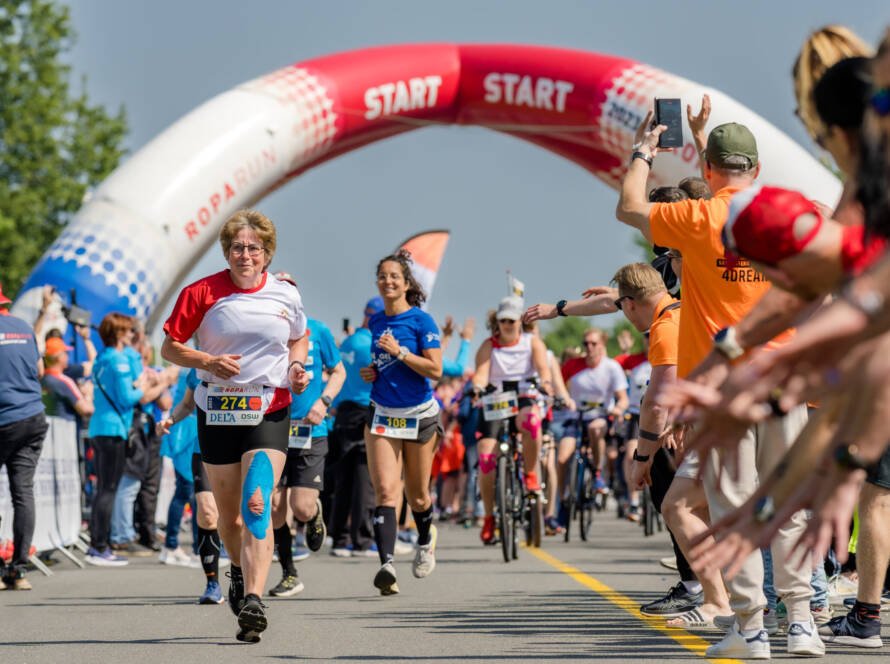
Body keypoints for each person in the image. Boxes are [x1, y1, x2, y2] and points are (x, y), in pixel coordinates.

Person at [615, 99, 823, 658]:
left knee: (732, 508)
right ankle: (802, 621)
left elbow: (630, 206)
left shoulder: (699, 217)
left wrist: (643, 151)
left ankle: (752, 629)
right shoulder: (783, 212)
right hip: (783, 379)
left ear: (707, 171)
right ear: (756, 169)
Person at [161, 209, 309, 643]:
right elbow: (170, 347)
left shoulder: (285, 294)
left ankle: (255, 600)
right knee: (228, 519)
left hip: (269, 408)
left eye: (253, 248)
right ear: (227, 252)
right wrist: (208, 361)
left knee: (257, 504)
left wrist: (297, 366)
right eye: (237, 248)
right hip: (217, 411)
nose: (245, 255)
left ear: (267, 254)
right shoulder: (201, 292)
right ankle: (240, 574)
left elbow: (298, 336)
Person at [360, 249, 443, 595]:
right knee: (385, 491)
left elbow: (435, 371)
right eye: (383, 276)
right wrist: (373, 371)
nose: (388, 281)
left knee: (418, 495)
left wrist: (400, 352)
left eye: (395, 276)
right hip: (381, 413)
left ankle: (425, 537)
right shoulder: (376, 321)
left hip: (418, 416)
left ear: (407, 283)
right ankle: (387, 566)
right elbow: (383, 365)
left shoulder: (422, 321)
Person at [269, 304, 345, 597]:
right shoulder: (264, 331)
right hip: (272, 428)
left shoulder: (318, 330)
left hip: (310, 430)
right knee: (276, 508)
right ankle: (289, 573)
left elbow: (338, 372)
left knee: (300, 507)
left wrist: (323, 402)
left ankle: (313, 514)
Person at [471, 296, 553, 544]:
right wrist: (476, 386)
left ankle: (530, 473)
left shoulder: (532, 342)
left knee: (532, 423)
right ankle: (488, 517)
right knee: (486, 459)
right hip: (497, 402)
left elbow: (543, 369)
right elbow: (481, 375)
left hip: (523, 397)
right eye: (502, 320)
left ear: (520, 322)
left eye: (511, 320)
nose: (507, 324)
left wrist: (547, 385)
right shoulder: (488, 346)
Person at [157, 367, 229, 604]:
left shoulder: (252, 356)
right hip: (205, 446)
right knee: (207, 512)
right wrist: (171, 419)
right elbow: (187, 404)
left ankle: (240, 578)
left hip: (243, 446)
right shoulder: (196, 368)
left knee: (239, 515)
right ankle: (213, 584)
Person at [85, 312, 146, 567]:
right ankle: (100, 545)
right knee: (108, 489)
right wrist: (142, 386)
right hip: (113, 430)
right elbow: (127, 398)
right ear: (120, 333)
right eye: (128, 331)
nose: (132, 335)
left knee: (104, 489)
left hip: (100, 428)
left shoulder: (102, 358)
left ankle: (99, 544)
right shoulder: (119, 360)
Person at [0, 283, 49, 590]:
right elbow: (40, 370)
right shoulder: (23, 327)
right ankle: (18, 571)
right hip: (31, 417)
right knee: (23, 493)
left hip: (4, 417)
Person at [329, 297, 383, 558]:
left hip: (342, 412)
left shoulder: (349, 341)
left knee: (344, 478)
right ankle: (361, 539)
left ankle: (339, 538)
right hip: (364, 411)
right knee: (364, 477)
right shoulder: (372, 346)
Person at [41, 337, 94, 423]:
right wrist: (88, 395)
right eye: (66, 353)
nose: (67, 356)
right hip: (66, 433)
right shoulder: (64, 381)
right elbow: (87, 410)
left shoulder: (42, 380)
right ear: (59, 357)